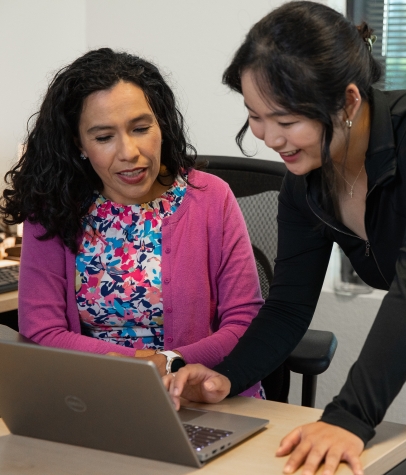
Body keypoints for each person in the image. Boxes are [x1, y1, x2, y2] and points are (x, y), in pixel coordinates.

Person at [163, 2, 406, 474]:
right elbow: (289, 306)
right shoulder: (306, 183)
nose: (271, 138)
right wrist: (226, 377)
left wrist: (349, 416)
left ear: (349, 102)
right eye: (255, 116)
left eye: (288, 120)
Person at [0, 48, 264, 398]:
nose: (129, 152)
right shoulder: (53, 205)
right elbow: (41, 330)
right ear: (79, 143)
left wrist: (171, 362)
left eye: (141, 128)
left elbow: (244, 322)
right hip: (91, 398)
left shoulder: (212, 198)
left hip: (203, 397)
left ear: (162, 125)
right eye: (104, 137)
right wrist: (142, 365)